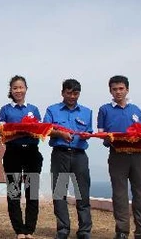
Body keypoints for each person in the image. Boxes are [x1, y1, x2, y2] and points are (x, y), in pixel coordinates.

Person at [97, 75, 141, 239]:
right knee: (119, 194)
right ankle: (122, 231)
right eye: (114, 89)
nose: (118, 92)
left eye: (121, 88)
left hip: (138, 157)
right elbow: (101, 134)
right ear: (110, 91)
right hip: (118, 156)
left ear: (127, 89)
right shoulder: (105, 110)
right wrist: (112, 138)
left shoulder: (136, 110)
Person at [44, 79, 93, 239]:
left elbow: (89, 132)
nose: (72, 96)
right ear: (63, 92)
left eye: (75, 93)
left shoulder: (87, 111)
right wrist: (60, 134)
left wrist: (87, 136)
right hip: (60, 154)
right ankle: (63, 229)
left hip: (79, 156)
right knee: (59, 194)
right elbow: (46, 130)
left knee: (82, 194)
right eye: (69, 92)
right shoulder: (52, 110)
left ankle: (84, 231)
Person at [0, 75, 43, 239]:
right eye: (15, 88)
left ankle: (30, 229)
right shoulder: (5, 110)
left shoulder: (34, 109)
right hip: (13, 153)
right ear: (11, 90)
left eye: (21, 87)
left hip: (32, 152)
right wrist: (19, 133)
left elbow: (39, 132)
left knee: (32, 192)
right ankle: (19, 230)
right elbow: (3, 134)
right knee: (14, 193)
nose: (18, 90)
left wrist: (27, 131)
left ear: (26, 88)